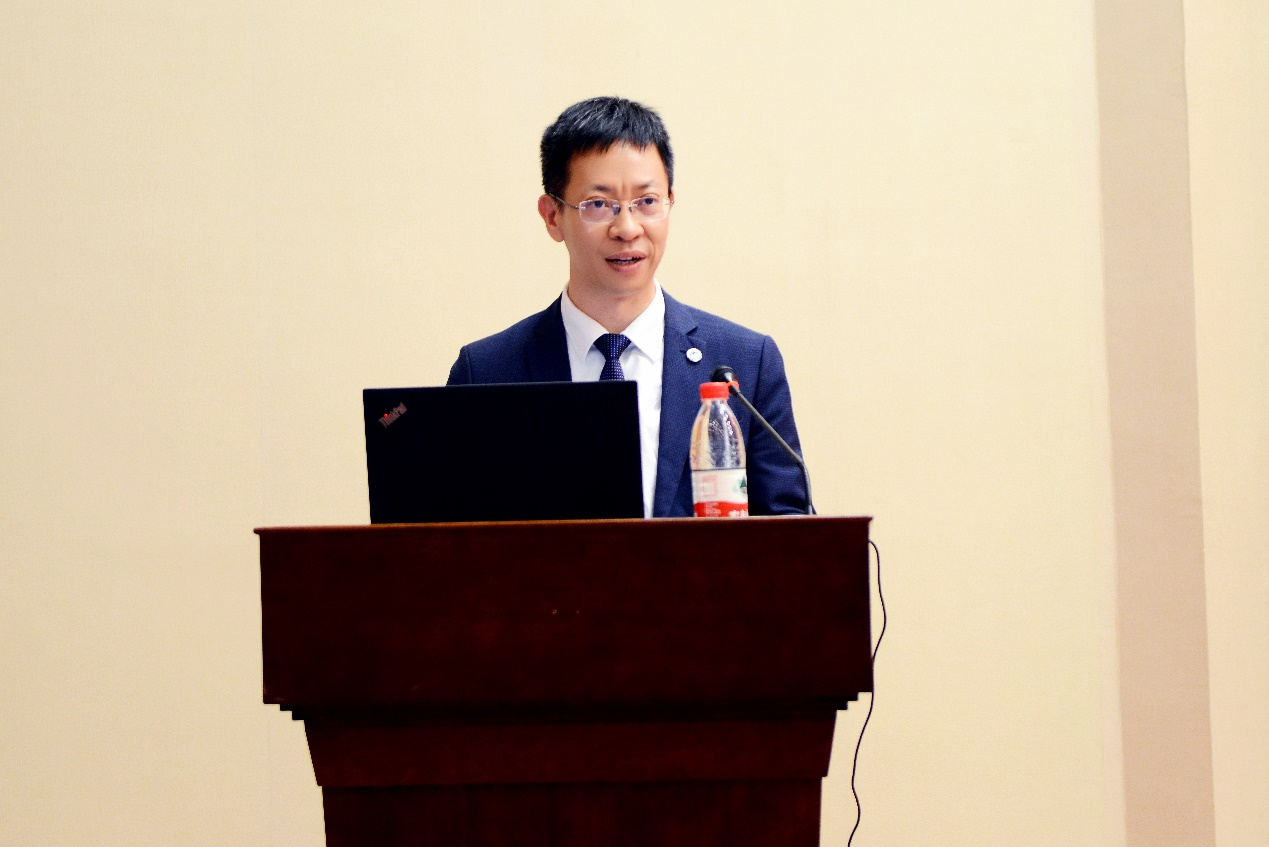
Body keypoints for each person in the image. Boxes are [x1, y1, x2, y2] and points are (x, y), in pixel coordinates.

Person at [447, 96, 808, 517]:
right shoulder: (486, 372)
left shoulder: (745, 363)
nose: (627, 228)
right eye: (598, 205)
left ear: (670, 201)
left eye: (647, 201)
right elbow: (453, 537)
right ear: (552, 216)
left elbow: (790, 531)